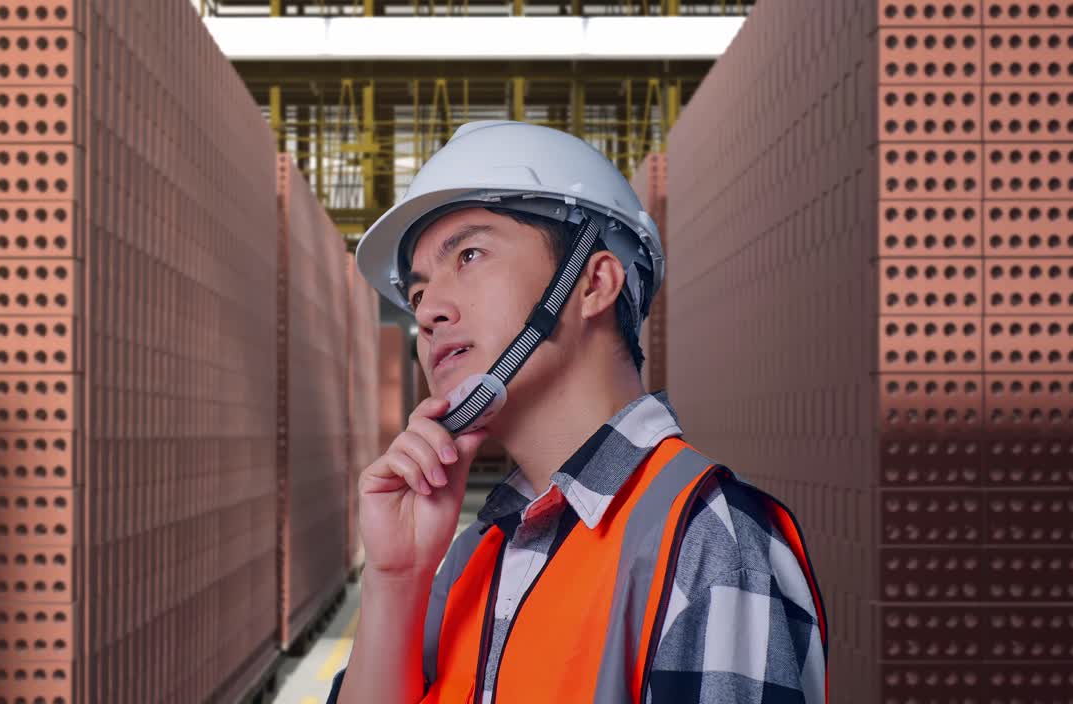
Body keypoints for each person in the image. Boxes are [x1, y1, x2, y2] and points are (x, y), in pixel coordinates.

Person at [328, 121, 827, 704]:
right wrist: (396, 580)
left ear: (592, 283)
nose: (429, 311)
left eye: (469, 254)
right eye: (416, 295)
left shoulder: (708, 540)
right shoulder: (474, 555)